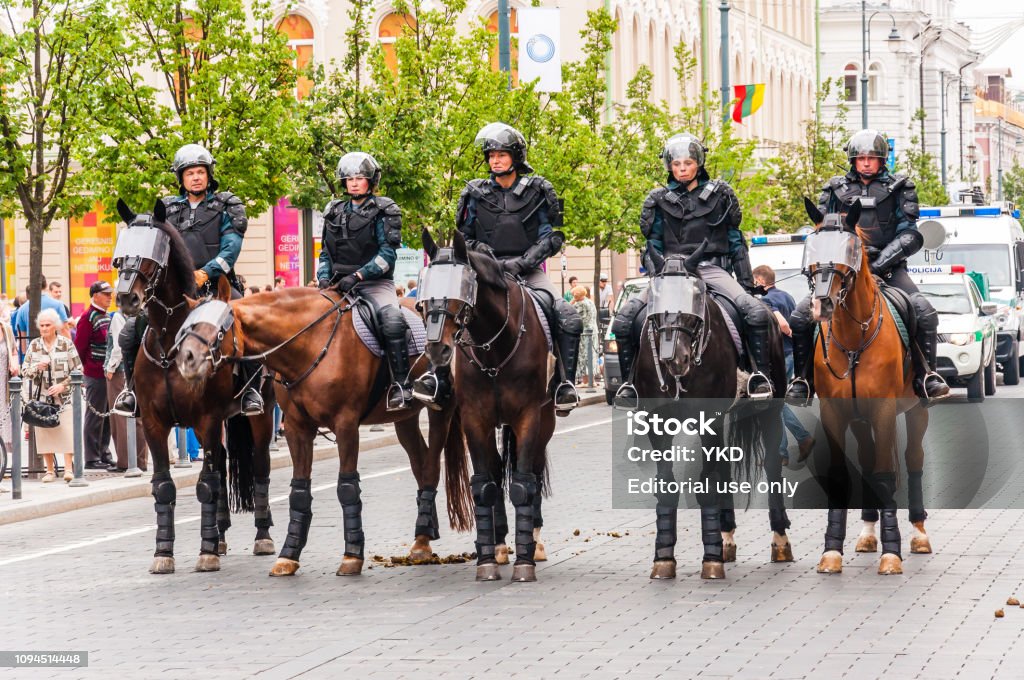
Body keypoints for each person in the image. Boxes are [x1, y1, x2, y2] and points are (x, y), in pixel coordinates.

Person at [418, 121, 582, 415]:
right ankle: (437, 378)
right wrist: (484, 256)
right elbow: (464, 237)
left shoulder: (540, 189)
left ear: (516, 157)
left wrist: (522, 262)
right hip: (483, 273)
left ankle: (564, 384)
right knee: (448, 309)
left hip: (528, 271)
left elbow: (551, 236)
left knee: (565, 315)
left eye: (501, 154)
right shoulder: (473, 192)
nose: (495, 160)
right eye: (491, 155)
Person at [611, 132, 776, 408]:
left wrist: (746, 285)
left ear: (698, 163)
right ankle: (630, 386)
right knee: (625, 319)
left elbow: (736, 242)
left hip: (710, 269)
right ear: (669, 167)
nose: (682, 168)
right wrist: (659, 274)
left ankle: (759, 377)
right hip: (669, 274)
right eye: (677, 164)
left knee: (755, 312)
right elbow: (651, 245)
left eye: (687, 162)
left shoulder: (721, 195)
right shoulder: (658, 200)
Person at [786, 129, 949, 404]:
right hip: (844, 271)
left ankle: (926, 376)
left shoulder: (901, 187)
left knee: (923, 310)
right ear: (852, 160)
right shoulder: (834, 189)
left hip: (889, 268)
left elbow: (909, 234)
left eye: (871, 158)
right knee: (801, 316)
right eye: (860, 158)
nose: (865, 163)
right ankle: (803, 380)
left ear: (882, 160)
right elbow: (826, 231)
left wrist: (877, 264)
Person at [112, 143, 264, 417]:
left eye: (200, 172)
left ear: (209, 175)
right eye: (190, 173)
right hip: (178, 291)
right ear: (181, 178)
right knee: (130, 331)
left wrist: (206, 272)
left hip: (217, 288)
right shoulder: (167, 208)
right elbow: (157, 248)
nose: (195, 177)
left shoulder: (227, 205)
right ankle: (132, 391)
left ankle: (250, 390)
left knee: (251, 326)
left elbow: (231, 248)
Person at [316, 151, 413, 411]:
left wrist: (359, 275)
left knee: (392, 321)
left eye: (360, 178)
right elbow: (325, 252)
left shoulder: (385, 209)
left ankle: (402, 385)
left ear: (371, 181)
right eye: (350, 179)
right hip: (337, 284)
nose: (355, 183)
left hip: (374, 283)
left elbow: (387, 256)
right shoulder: (333, 211)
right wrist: (323, 277)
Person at [754, 265, 814, 466]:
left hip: (780, 355)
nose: (753, 285)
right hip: (791, 355)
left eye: (755, 281)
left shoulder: (767, 299)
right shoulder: (787, 296)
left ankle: (783, 450)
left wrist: (789, 334)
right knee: (777, 403)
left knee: (774, 404)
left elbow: (784, 324)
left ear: (761, 281)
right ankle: (798, 442)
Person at [21, 309, 81, 483]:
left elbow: (78, 369)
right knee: (45, 432)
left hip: (65, 397)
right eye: (41, 325)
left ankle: (68, 469)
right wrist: (37, 367)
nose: (44, 328)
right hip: (42, 398)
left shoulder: (66, 344)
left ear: (55, 326)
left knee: (66, 431)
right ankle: (49, 471)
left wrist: (63, 385)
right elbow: (25, 371)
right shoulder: (34, 346)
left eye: (47, 325)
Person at [74, 281, 115, 470]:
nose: (110, 297)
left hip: (107, 374)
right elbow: (80, 347)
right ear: (95, 295)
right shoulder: (87, 317)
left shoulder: (105, 316)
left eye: (110, 293)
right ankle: (91, 458)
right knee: (94, 416)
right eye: (106, 294)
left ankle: (104, 453)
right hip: (94, 373)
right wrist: (84, 372)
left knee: (106, 416)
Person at [104, 309, 149, 471]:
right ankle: (140, 461)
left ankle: (125, 461)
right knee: (139, 418)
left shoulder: (118, 316)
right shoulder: (144, 314)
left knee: (120, 417)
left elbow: (118, 345)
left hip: (121, 371)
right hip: (140, 369)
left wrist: (110, 367)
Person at [13, 275, 69, 359]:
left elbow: (22, 338)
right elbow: (65, 330)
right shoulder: (58, 304)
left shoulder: (22, 309)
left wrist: (25, 356)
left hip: (33, 354)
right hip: (56, 353)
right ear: (46, 286)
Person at [571, 286, 599, 387]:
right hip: (593, 331)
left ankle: (585, 381)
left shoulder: (580, 304)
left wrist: (573, 300)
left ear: (576, 295)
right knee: (592, 355)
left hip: (584, 333)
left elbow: (568, 310)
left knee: (584, 356)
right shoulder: (590, 302)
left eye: (573, 295)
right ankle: (592, 381)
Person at [0, 308, 18, 457]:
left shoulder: (6, 329)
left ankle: (2, 460)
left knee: (3, 417)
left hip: (3, 383)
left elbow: (13, 351)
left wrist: (14, 364)